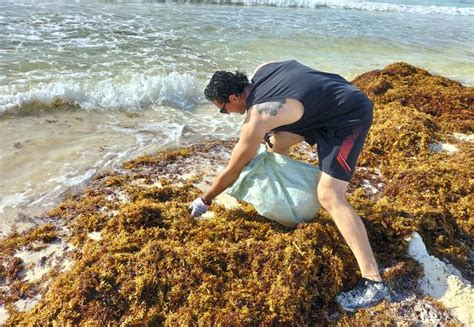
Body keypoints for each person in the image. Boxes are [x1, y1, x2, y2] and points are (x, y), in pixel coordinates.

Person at [189, 60, 390, 311]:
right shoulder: (264, 69)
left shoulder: (259, 116)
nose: (226, 113)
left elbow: (234, 169)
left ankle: (374, 282)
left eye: (223, 109)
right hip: (331, 100)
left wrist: (205, 199)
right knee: (276, 141)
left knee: (329, 195)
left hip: (349, 117)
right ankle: (284, 198)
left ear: (233, 97)